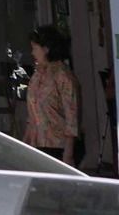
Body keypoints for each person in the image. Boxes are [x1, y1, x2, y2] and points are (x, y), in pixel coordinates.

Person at [23, 25, 79, 164]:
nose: (32, 53)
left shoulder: (63, 76)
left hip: (57, 145)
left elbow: (71, 116)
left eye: (35, 48)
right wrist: (25, 143)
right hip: (37, 142)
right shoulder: (37, 75)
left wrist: (68, 152)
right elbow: (32, 113)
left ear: (46, 49)